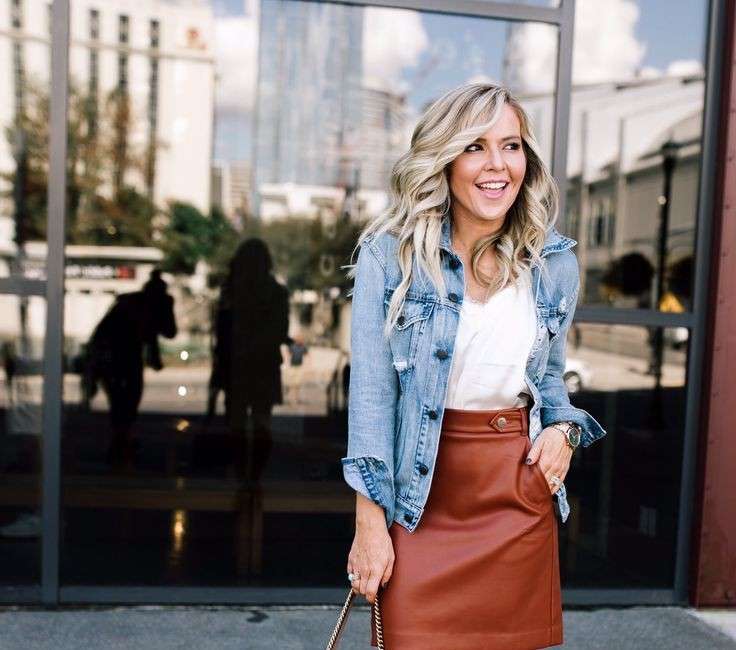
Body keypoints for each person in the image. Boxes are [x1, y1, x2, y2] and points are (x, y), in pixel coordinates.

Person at [341, 82, 607, 649]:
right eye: (475, 147)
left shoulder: (552, 264)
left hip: (515, 494)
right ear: (445, 158)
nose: (497, 166)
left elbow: (549, 380)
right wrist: (371, 525)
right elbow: (370, 400)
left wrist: (563, 430)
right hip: (419, 502)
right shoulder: (390, 256)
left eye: (510, 146)